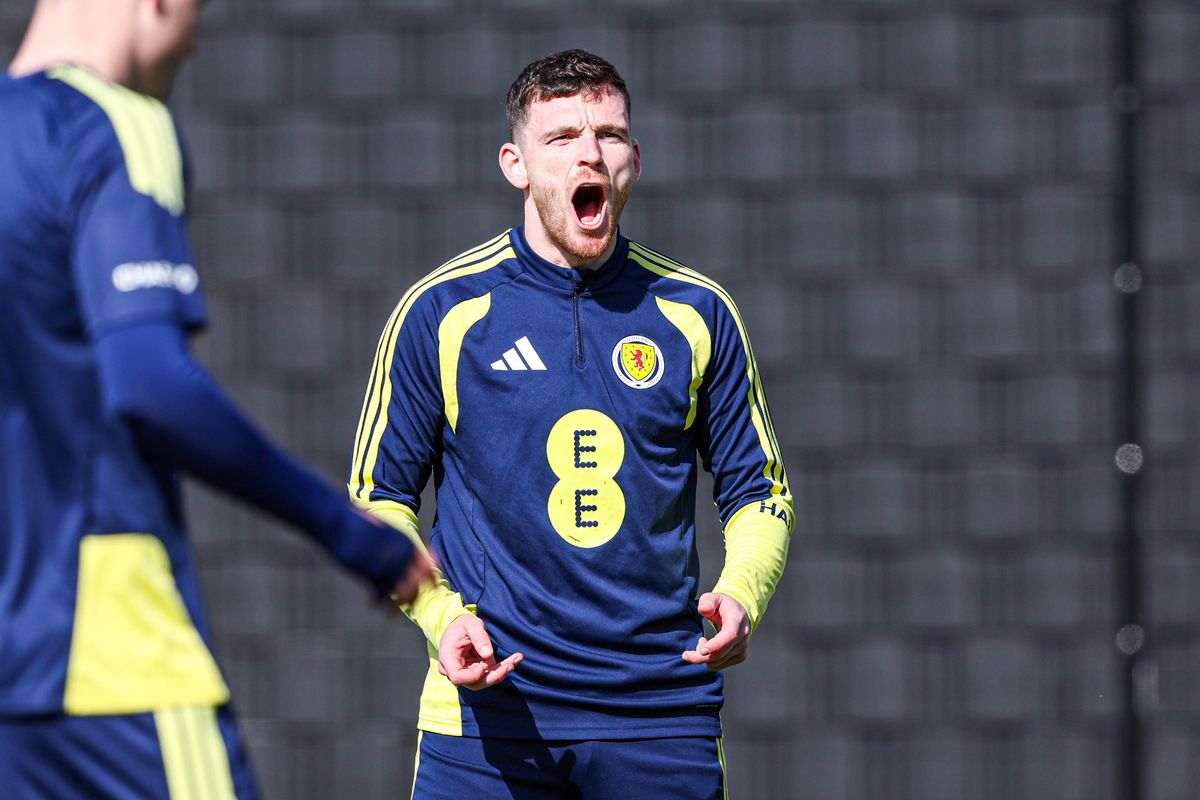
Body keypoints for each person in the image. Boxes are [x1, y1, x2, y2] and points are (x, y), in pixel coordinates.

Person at [0, 1, 433, 797]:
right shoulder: (112, 127)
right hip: (110, 670)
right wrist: (357, 535)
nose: (196, 37)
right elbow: (152, 385)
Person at [349, 49, 792, 798]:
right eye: (562, 138)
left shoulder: (697, 312)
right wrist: (438, 617)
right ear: (516, 164)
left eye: (610, 135)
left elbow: (761, 494)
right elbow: (375, 499)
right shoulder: (444, 312)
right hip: (488, 719)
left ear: (635, 161)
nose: (591, 152)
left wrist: (743, 591)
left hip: (663, 714)